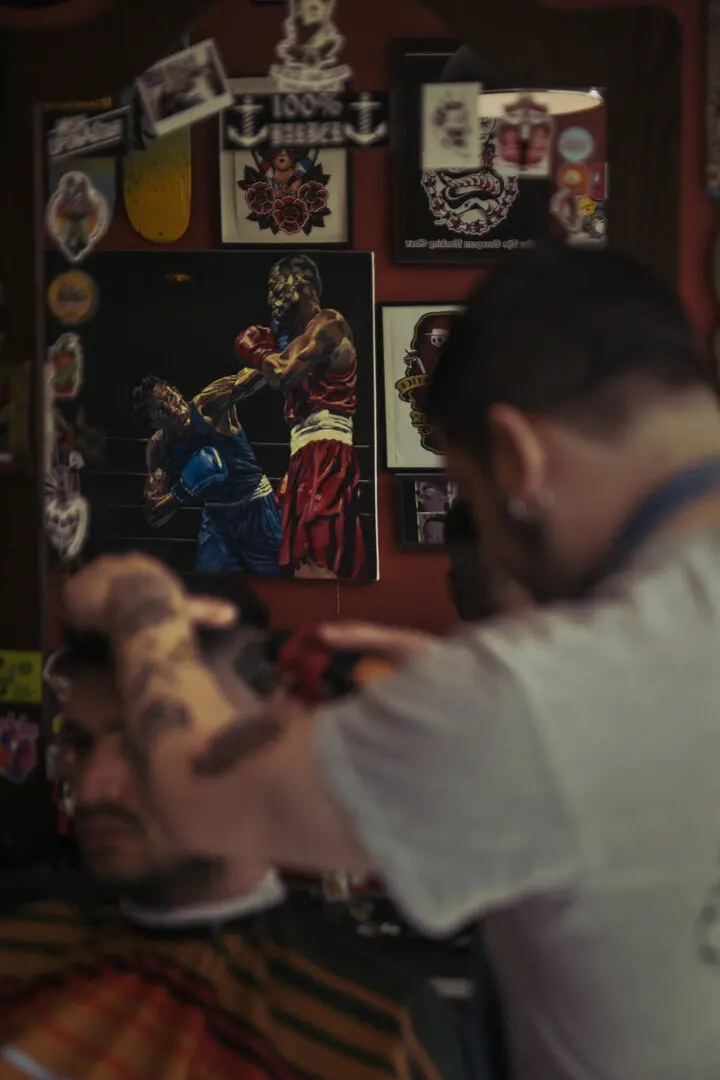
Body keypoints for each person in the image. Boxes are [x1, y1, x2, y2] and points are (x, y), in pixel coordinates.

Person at [64, 244, 720, 1080]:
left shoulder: (540, 697)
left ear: (518, 457)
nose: (499, 561)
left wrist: (140, 604)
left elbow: (200, 803)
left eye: (471, 496)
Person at [0, 625, 467, 1080]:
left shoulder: (375, 1027)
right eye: (78, 746)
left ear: (263, 749)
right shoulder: (20, 935)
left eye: (147, 747)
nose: (91, 788)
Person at [234, 255, 365, 580]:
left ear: (301, 281)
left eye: (276, 285)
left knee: (318, 559)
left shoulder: (330, 324)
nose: (271, 297)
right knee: (299, 561)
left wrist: (256, 351)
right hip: (303, 455)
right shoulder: (296, 343)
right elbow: (242, 384)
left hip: (327, 452)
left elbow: (280, 373)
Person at [133, 373, 283, 576]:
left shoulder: (208, 405)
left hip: (255, 508)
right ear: (155, 424)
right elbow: (153, 514)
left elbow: (257, 374)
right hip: (215, 520)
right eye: (161, 410)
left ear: (176, 391)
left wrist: (278, 358)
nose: (173, 409)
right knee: (209, 584)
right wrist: (183, 490)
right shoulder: (159, 447)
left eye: (170, 397)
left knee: (277, 583)